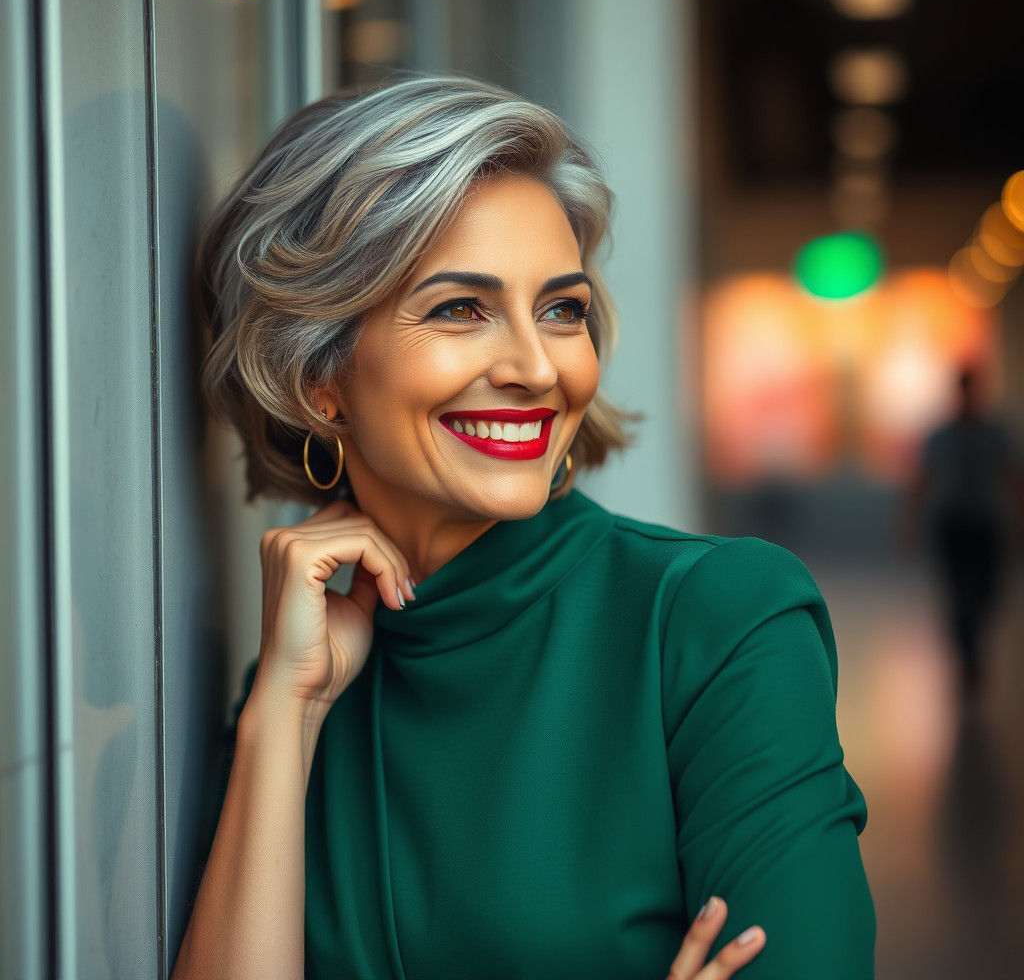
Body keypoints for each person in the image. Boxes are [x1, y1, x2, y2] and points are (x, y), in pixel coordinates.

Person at [172, 73, 876, 980]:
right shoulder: (298, 684)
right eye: (462, 309)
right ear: (320, 375)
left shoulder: (720, 620)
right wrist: (286, 711)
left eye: (561, 309)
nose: (538, 368)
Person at [900, 365, 1024, 701]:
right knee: (957, 597)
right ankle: (968, 659)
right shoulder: (941, 436)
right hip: (953, 525)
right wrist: (909, 524)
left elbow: (1012, 478)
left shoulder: (995, 434)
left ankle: (973, 647)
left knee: (987, 593)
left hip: (986, 524)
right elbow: (922, 482)